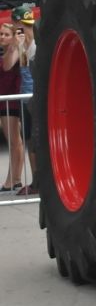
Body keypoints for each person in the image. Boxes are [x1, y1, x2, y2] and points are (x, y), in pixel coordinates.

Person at [11, 5, 36, 196]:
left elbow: (29, 70)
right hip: (25, 98)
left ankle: (40, 180)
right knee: (29, 139)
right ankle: (36, 180)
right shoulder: (21, 44)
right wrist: (17, 46)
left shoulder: (37, 43)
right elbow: (14, 66)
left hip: (36, 97)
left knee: (36, 140)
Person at [0, 23, 25, 194]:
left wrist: (15, 44)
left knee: (14, 141)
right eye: (1, 34)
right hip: (4, 100)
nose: (2, 37)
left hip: (11, 101)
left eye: (6, 34)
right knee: (13, 140)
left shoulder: (15, 50)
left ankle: (13, 180)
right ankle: (14, 179)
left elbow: (7, 67)